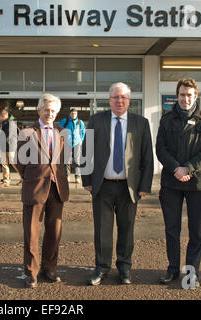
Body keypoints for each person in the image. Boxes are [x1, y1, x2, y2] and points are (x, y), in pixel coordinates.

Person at [82, 82, 154, 285]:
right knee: (102, 231)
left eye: (123, 97)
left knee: (126, 229)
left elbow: (147, 156)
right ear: (110, 100)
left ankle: (124, 268)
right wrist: (87, 179)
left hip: (128, 187)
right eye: (116, 97)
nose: (119, 101)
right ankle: (101, 268)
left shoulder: (141, 123)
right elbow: (87, 150)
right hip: (102, 186)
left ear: (129, 100)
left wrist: (144, 185)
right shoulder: (97, 120)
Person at [156, 78, 201, 289]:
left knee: (196, 231)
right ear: (177, 95)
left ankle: (192, 273)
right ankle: (173, 269)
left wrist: (188, 168)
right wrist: (176, 169)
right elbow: (160, 149)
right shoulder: (166, 120)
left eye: (189, 95)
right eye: (182, 94)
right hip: (171, 182)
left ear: (195, 96)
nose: (185, 99)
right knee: (172, 229)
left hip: (198, 183)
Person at [16, 93, 69, 289]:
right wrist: (33, 178)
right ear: (39, 110)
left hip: (57, 190)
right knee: (31, 233)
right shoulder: (27, 132)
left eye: (54, 110)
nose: (50, 113)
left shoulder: (63, 132)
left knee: (54, 233)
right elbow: (19, 161)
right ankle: (31, 272)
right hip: (35, 189)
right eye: (46, 109)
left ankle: (50, 269)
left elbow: (64, 160)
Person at [58, 108, 86, 184]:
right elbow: (58, 128)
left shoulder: (80, 122)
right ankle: (67, 176)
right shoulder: (65, 121)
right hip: (67, 143)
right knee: (67, 159)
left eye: (75, 113)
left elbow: (83, 131)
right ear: (70, 114)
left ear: (77, 114)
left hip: (77, 143)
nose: (74, 115)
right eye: (72, 113)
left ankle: (77, 176)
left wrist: (81, 139)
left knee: (77, 159)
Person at [0, 109, 22, 187]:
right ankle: (6, 181)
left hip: (10, 146)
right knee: (4, 164)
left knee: (14, 163)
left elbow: (6, 135)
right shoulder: (3, 123)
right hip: (5, 146)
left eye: (0, 117)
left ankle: (24, 178)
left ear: (3, 116)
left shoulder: (11, 123)